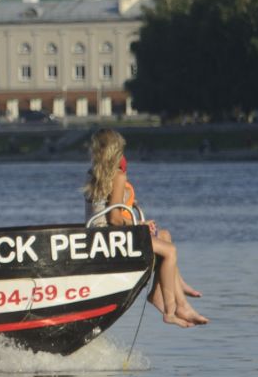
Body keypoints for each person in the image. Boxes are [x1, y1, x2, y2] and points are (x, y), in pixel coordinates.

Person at [83, 131, 206, 328]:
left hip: (96, 236)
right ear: (117, 152)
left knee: (164, 236)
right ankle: (172, 310)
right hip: (111, 238)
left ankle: (164, 294)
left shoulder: (94, 173)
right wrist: (138, 226)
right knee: (170, 251)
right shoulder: (118, 176)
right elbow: (114, 219)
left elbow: (108, 212)